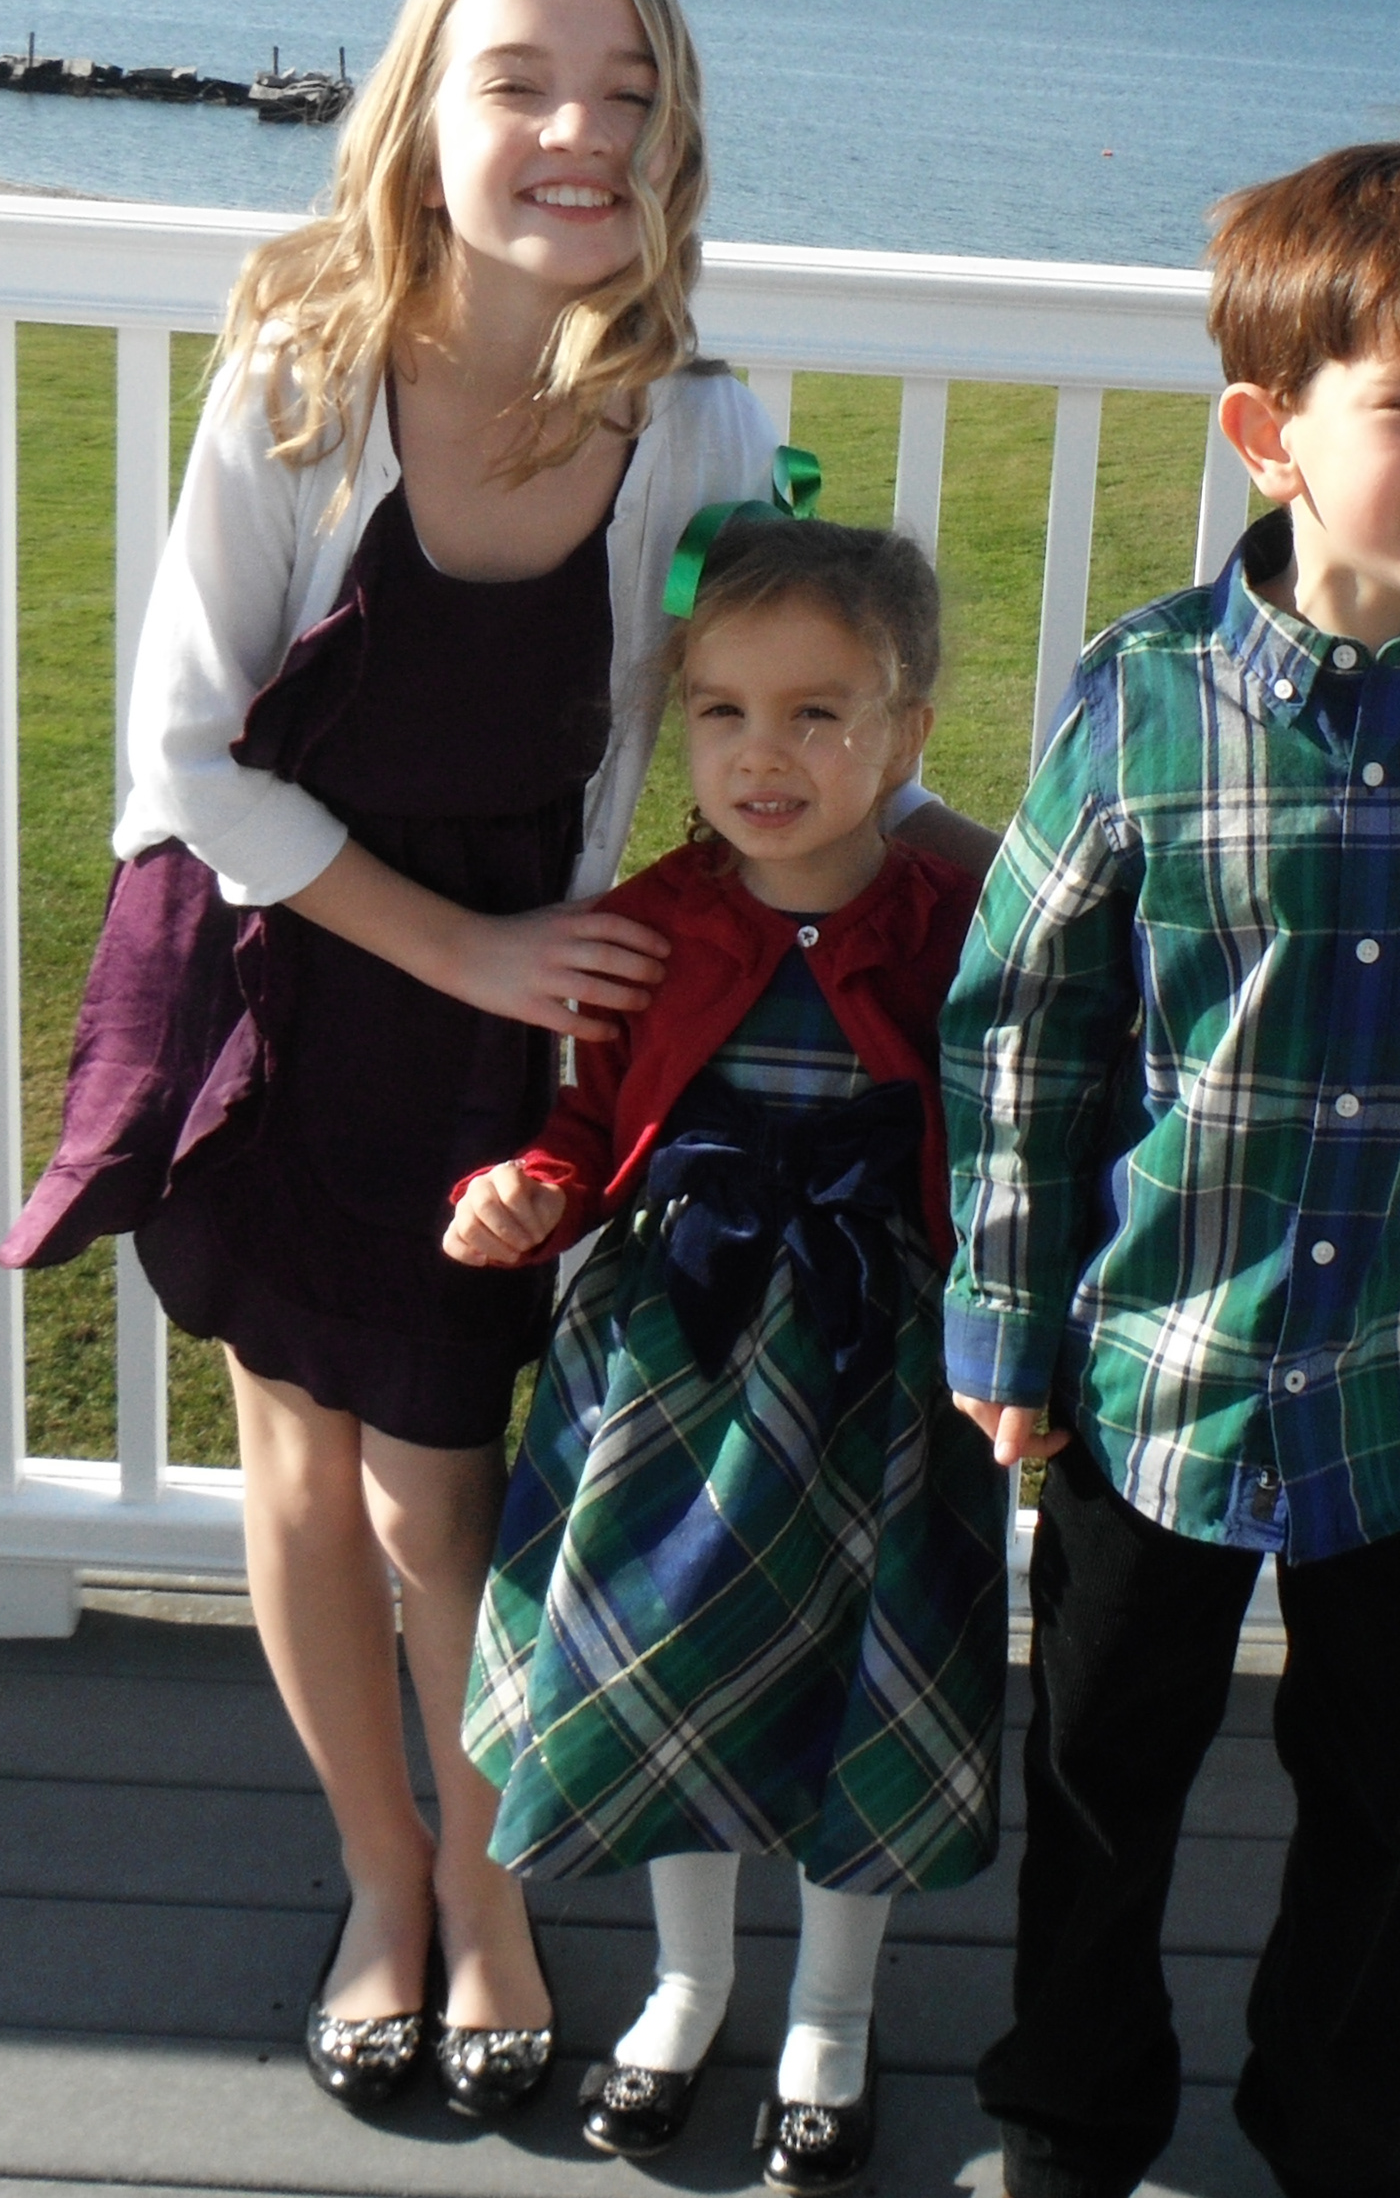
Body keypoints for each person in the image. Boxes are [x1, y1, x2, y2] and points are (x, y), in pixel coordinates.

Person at [4, 0, 981, 2122]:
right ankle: (384, 1882)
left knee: (442, 1501)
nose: (579, 133)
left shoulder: (695, 428)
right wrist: (464, 953)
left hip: (499, 1033)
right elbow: (183, 762)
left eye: (629, 95)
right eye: (523, 83)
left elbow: (783, 736)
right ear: (421, 118)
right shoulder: (304, 383)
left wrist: (1004, 871)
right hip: (275, 974)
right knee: (294, 1458)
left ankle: (490, 1886)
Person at [939, 92, 1400, 2198]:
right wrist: (1006, 1328)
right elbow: (1023, 1029)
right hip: (1153, 1373)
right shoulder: (1147, 697)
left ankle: (1341, 2127)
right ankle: (1072, 2116)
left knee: (1389, 1794)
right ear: (1270, 434)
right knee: (1103, 1774)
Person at [447, 512, 1006, 2195]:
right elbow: (588, 1123)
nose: (764, 755)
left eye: (818, 714)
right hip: (669, 1372)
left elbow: (1020, 1131)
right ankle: (687, 1985)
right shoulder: (651, 922)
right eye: (723, 712)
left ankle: (833, 2013)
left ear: (904, 735)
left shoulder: (963, 918)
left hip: (874, 1368)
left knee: (854, 1680)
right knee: (661, 1668)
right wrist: (528, 1193)